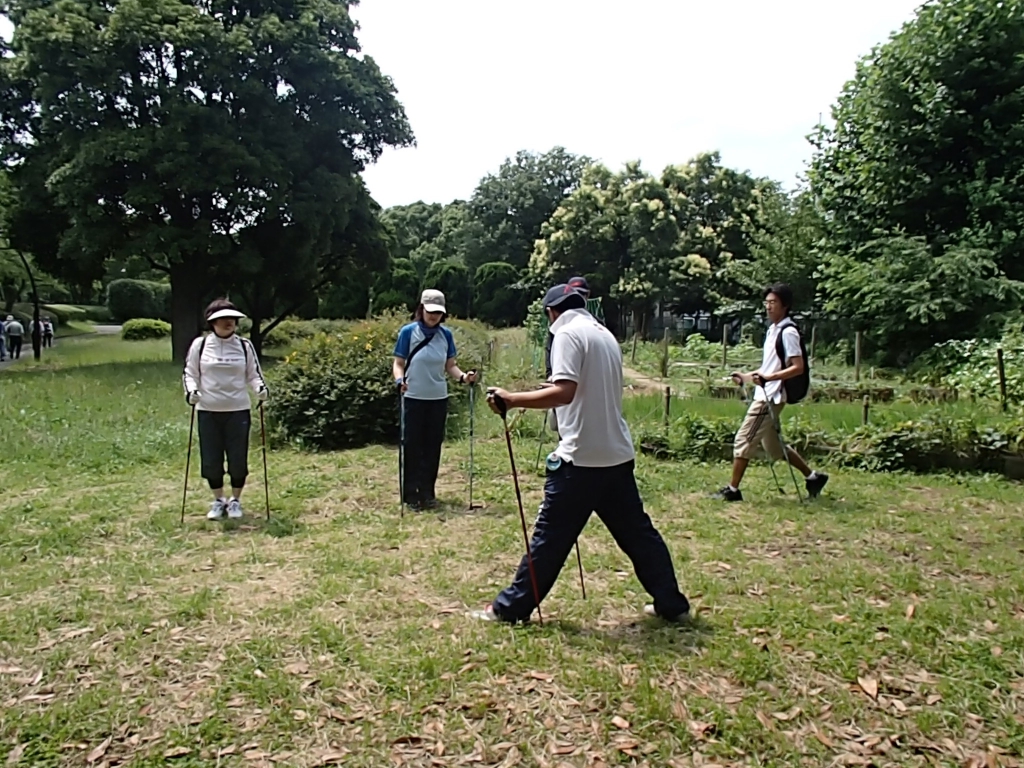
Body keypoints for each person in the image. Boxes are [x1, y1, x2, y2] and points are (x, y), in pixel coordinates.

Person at [475, 283, 691, 624]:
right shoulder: (603, 333)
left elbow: (565, 392)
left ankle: (509, 609)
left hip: (580, 459)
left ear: (551, 312)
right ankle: (672, 603)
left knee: (549, 540)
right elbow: (585, 389)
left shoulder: (565, 335)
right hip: (615, 454)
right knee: (639, 536)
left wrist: (512, 398)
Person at [713, 283, 828, 502]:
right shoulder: (773, 330)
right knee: (774, 448)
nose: (768, 307)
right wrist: (747, 377)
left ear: (785, 305)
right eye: (766, 303)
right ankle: (813, 477)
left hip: (771, 396)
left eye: (773, 302)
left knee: (744, 439)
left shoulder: (789, 332)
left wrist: (769, 379)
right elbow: (768, 368)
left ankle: (733, 490)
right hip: (766, 392)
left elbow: (798, 367)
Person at [182, 299, 268, 520]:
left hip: (238, 409)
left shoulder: (244, 346)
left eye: (232, 319)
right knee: (211, 460)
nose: (228, 322)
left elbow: (253, 373)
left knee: (238, 459)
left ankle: (236, 501)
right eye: (222, 319)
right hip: (208, 410)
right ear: (212, 322)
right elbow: (190, 373)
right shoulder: (199, 345)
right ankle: (219, 500)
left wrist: (260, 388)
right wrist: (191, 391)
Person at [392, 289, 477, 511]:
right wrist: (399, 381)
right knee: (412, 446)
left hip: (438, 398)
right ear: (421, 309)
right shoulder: (408, 332)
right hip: (413, 397)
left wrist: (463, 378)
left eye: (438, 313)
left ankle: (428, 493)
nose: (434, 316)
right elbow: (398, 363)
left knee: (432, 447)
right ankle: (410, 495)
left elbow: (450, 365)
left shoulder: (445, 335)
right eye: (430, 312)